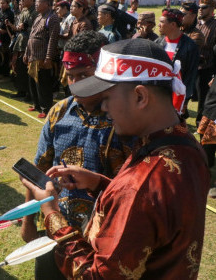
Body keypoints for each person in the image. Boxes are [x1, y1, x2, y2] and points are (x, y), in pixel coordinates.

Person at [22, 38, 210, 279]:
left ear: (140, 97)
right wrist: (99, 183)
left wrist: (51, 214)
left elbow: (96, 276)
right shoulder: (189, 147)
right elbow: (149, 215)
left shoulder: (140, 186)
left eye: (107, 98)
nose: (105, 108)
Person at [156, 8, 199, 116]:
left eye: (162, 22)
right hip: (159, 92)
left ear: (173, 24)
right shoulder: (157, 42)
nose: (159, 25)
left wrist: (185, 99)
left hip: (177, 95)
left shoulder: (190, 46)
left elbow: (191, 75)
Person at [24, 0, 60, 118]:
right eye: (36, 2)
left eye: (39, 2)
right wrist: (26, 53)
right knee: (33, 82)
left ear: (47, 4)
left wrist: (48, 57)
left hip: (42, 56)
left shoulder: (53, 18)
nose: (36, 4)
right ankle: (37, 104)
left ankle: (46, 108)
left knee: (43, 83)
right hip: (32, 55)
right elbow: (31, 36)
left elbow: (52, 40)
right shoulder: (39, 16)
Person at [8, 0, 38, 99]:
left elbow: (37, 29)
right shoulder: (24, 11)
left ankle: (29, 94)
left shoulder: (36, 12)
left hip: (29, 45)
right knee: (19, 68)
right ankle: (20, 91)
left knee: (27, 70)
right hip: (20, 43)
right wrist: (13, 26)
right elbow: (18, 28)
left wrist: (26, 27)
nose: (21, 0)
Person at [196, 0, 216, 124]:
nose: (200, 9)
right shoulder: (196, 23)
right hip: (193, 65)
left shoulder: (214, 25)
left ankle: (200, 121)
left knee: (203, 97)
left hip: (207, 67)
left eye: (204, 7)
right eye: (199, 7)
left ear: (212, 9)